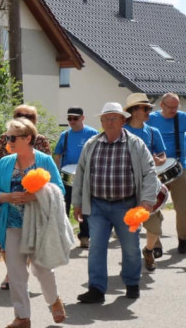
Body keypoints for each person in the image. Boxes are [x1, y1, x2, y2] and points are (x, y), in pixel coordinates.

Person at [71, 102, 159, 303]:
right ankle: (96, 289)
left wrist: (146, 200)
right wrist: (77, 203)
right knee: (96, 248)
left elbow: (149, 173)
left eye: (114, 118)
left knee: (130, 247)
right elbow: (80, 175)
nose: (109, 122)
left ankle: (131, 283)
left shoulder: (136, 144)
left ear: (123, 120)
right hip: (97, 206)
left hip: (127, 205)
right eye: (106, 118)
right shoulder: (91, 144)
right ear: (101, 121)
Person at [0, 118, 69, 328]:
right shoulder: (5, 163)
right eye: (7, 137)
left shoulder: (44, 160)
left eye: (13, 137)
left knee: (42, 269)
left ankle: (54, 300)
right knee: (16, 274)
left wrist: (36, 196)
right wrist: (8, 197)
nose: (9, 141)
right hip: (12, 225)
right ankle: (22, 317)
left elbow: (59, 189)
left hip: (39, 226)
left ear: (28, 138)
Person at [0, 105, 52, 289]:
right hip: (8, 199)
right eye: (19, 115)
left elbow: (48, 172)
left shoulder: (40, 141)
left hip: (34, 204)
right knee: (4, 241)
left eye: (29, 116)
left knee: (36, 253)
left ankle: (48, 292)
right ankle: (12, 273)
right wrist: (8, 167)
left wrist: (34, 189)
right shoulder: (6, 138)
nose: (23, 117)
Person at [124, 93, 167, 272]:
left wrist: (159, 161)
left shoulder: (152, 132)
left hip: (148, 184)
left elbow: (163, 155)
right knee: (128, 228)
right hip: (125, 185)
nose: (149, 111)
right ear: (134, 111)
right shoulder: (121, 131)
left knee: (155, 229)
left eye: (149, 108)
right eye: (145, 108)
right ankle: (130, 264)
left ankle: (148, 250)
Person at [53, 106, 98, 248]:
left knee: (85, 206)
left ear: (83, 118)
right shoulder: (65, 135)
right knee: (64, 205)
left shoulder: (93, 133)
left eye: (75, 118)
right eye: (69, 118)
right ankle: (63, 236)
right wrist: (57, 173)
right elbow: (58, 154)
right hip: (67, 176)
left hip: (86, 175)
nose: (71, 121)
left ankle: (84, 236)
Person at [148, 92, 186, 254]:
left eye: (176, 107)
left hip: (179, 167)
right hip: (156, 170)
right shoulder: (151, 119)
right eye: (170, 107)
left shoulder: (182, 118)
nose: (173, 110)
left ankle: (183, 240)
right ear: (161, 105)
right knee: (154, 207)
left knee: (183, 207)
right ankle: (155, 244)